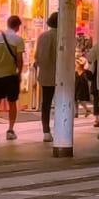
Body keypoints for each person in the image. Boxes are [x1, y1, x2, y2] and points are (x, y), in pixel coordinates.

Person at [0, 14, 26, 141]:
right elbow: (20, 60)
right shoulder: (17, 40)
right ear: (17, 26)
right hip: (10, 76)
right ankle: (10, 130)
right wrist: (19, 73)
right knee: (12, 103)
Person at [34, 14, 60, 143]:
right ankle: (61, 128)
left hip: (45, 75)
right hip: (61, 76)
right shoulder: (62, 37)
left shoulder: (42, 37)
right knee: (62, 102)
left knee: (46, 103)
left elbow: (37, 57)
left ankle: (46, 131)